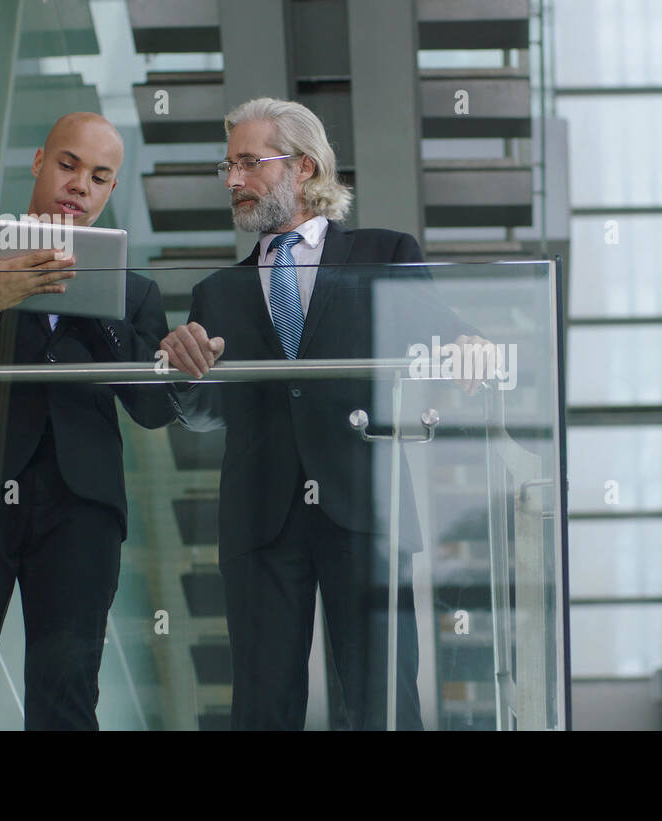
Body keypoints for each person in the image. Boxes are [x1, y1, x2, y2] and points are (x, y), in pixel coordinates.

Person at [161, 97, 488, 730]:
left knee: (383, 702)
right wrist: (183, 372)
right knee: (262, 709)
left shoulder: (384, 253)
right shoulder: (216, 292)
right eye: (226, 167)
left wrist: (467, 342)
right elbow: (204, 414)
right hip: (260, 518)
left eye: (249, 163)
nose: (233, 181)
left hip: (366, 507)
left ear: (304, 167)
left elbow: (443, 332)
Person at [0, 112, 174, 730]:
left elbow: (152, 409)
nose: (80, 185)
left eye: (100, 178)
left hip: (82, 509)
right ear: (39, 161)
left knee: (68, 695)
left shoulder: (133, 292)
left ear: (109, 191)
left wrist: (99, 301)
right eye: (69, 164)